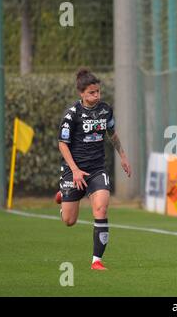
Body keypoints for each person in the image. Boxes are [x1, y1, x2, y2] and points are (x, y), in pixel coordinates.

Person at [56, 68, 131, 270]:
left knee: (101, 208)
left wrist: (123, 156)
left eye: (98, 91)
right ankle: (63, 198)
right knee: (69, 221)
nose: (96, 96)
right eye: (91, 92)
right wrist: (75, 170)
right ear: (81, 93)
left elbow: (112, 134)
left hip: (98, 168)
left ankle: (96, 260)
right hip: (75, 170)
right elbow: (62, 144)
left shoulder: (105, 110)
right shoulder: (72, 115)